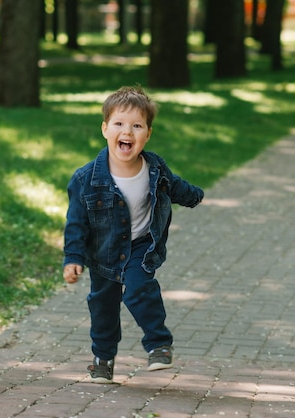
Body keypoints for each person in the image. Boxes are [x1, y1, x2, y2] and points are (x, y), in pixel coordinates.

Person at [63, 86, 204, 384]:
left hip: (140, 247)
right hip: (102, 255)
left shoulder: (154, 167)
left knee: (141, 289)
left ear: (147, 134)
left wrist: (194, 196)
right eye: (119, 124)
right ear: (105, 129)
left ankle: (158, 344)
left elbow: (174, 186)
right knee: (103, 307)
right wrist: (73, 258)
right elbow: (76, 222)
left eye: (137, 126)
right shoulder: (85, 179)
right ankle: (102, 360)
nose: (127, 131)